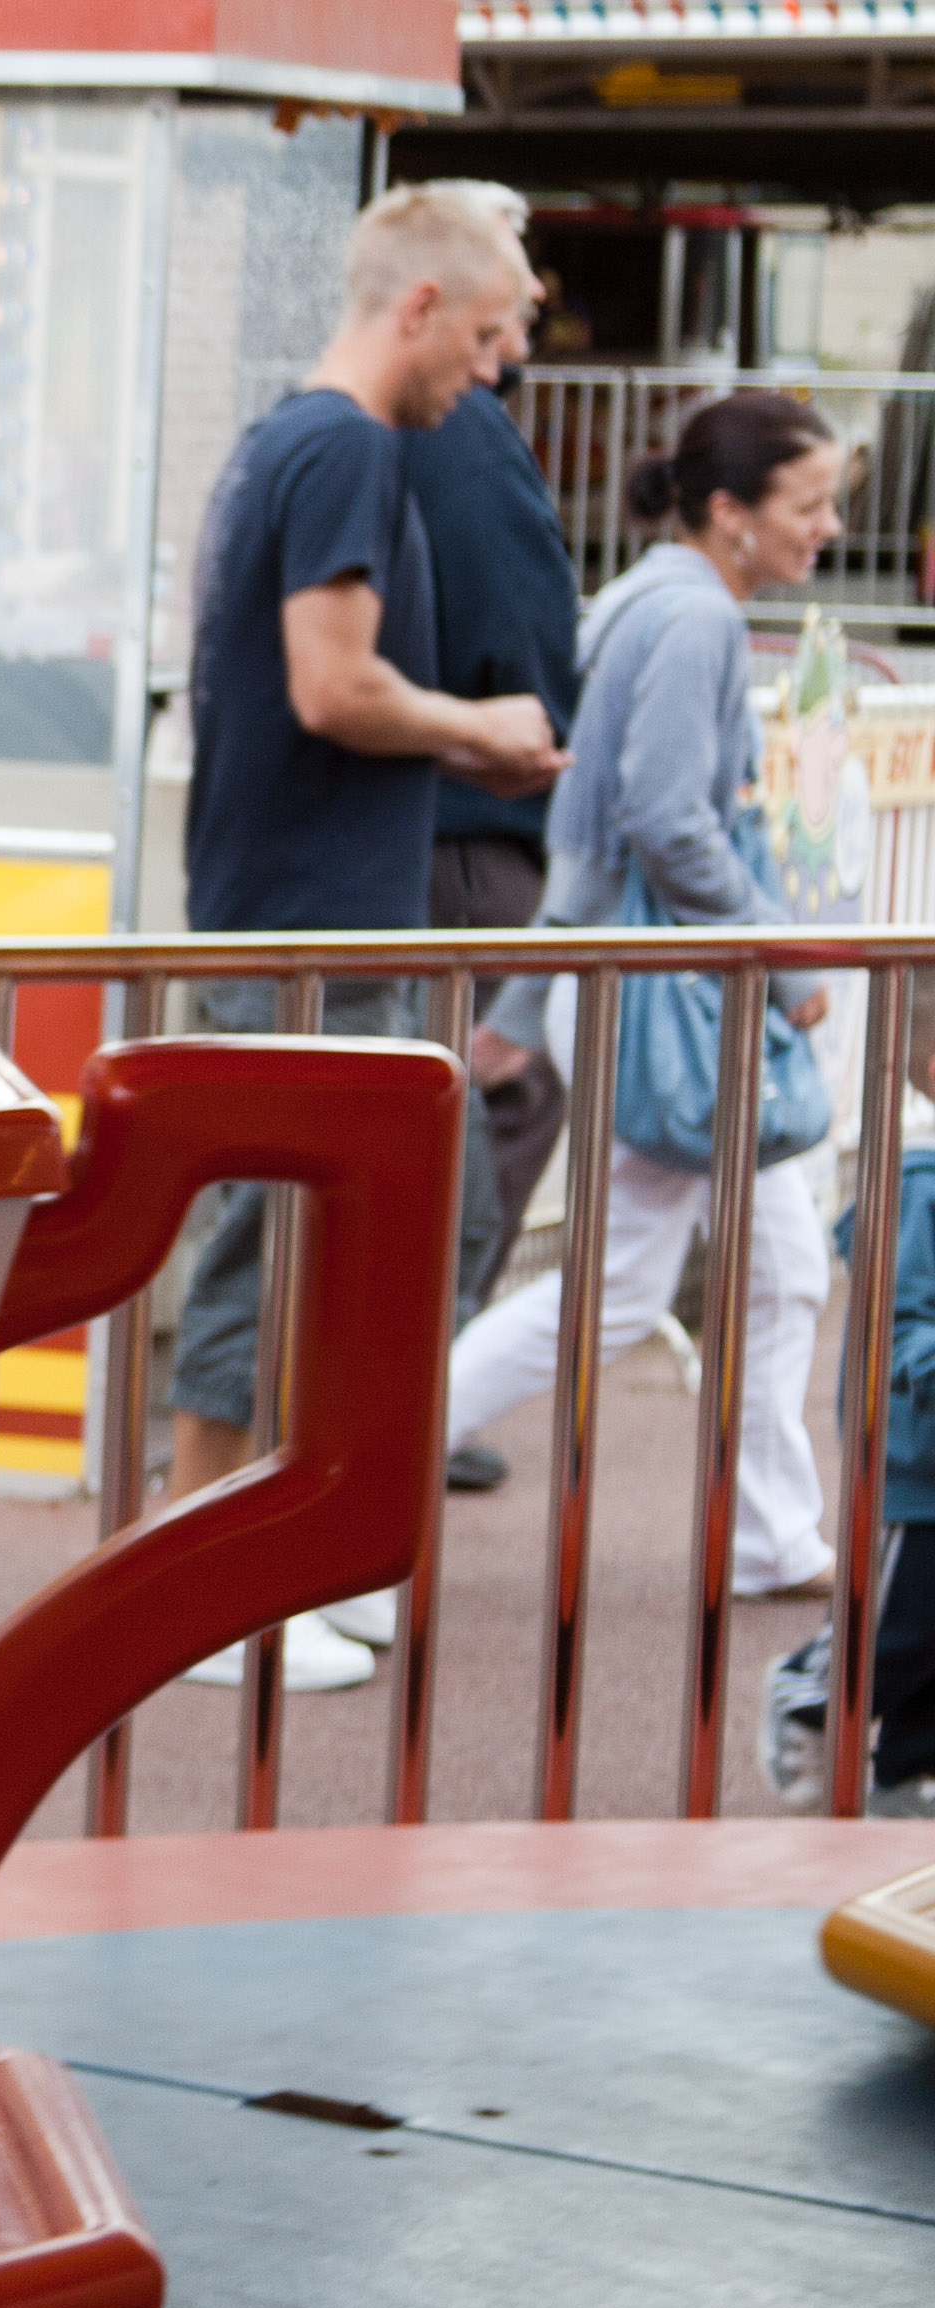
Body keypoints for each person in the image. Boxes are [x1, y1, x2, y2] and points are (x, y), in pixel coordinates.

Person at [170, 179, 567, 1693]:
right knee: (274, 1249)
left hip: (297, 910)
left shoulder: (295, 439)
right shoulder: (344, 448)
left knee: (276, 1244)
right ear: (419, 307)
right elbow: (333, 685)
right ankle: (207, 1590)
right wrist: (483, 732)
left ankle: (223, 1578)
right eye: (487, 330)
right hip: (314, 921)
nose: (496, 363)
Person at [443, 391, 849, 1607]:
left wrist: (527, 1006)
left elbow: (598, 836)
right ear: (730, 511)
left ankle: (773, 1533)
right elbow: (668, 822)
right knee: (631, 1287)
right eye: (810, 504)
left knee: (775, 1265)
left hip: (636, 989)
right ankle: (379, 1456)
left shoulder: (642, 601)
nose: (828, 529)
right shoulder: (696, 620)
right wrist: (786, 955)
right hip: (669, 999)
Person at [403, 215, 583, 1492]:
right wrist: (526, 734)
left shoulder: (357, 435)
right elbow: (517, 618)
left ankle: (416, 1385)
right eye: (504, 317)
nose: (515, 344)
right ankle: (422, 1388)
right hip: (473, 824)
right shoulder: (461, 437)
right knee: (498, 1090)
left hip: (427, 817)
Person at [763, 1042, 935, 1815]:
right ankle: (809, 1695)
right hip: (919, 1462)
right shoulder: (917, 1185)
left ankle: (909, 1770)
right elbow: (900, 1322)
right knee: (897, 1628)